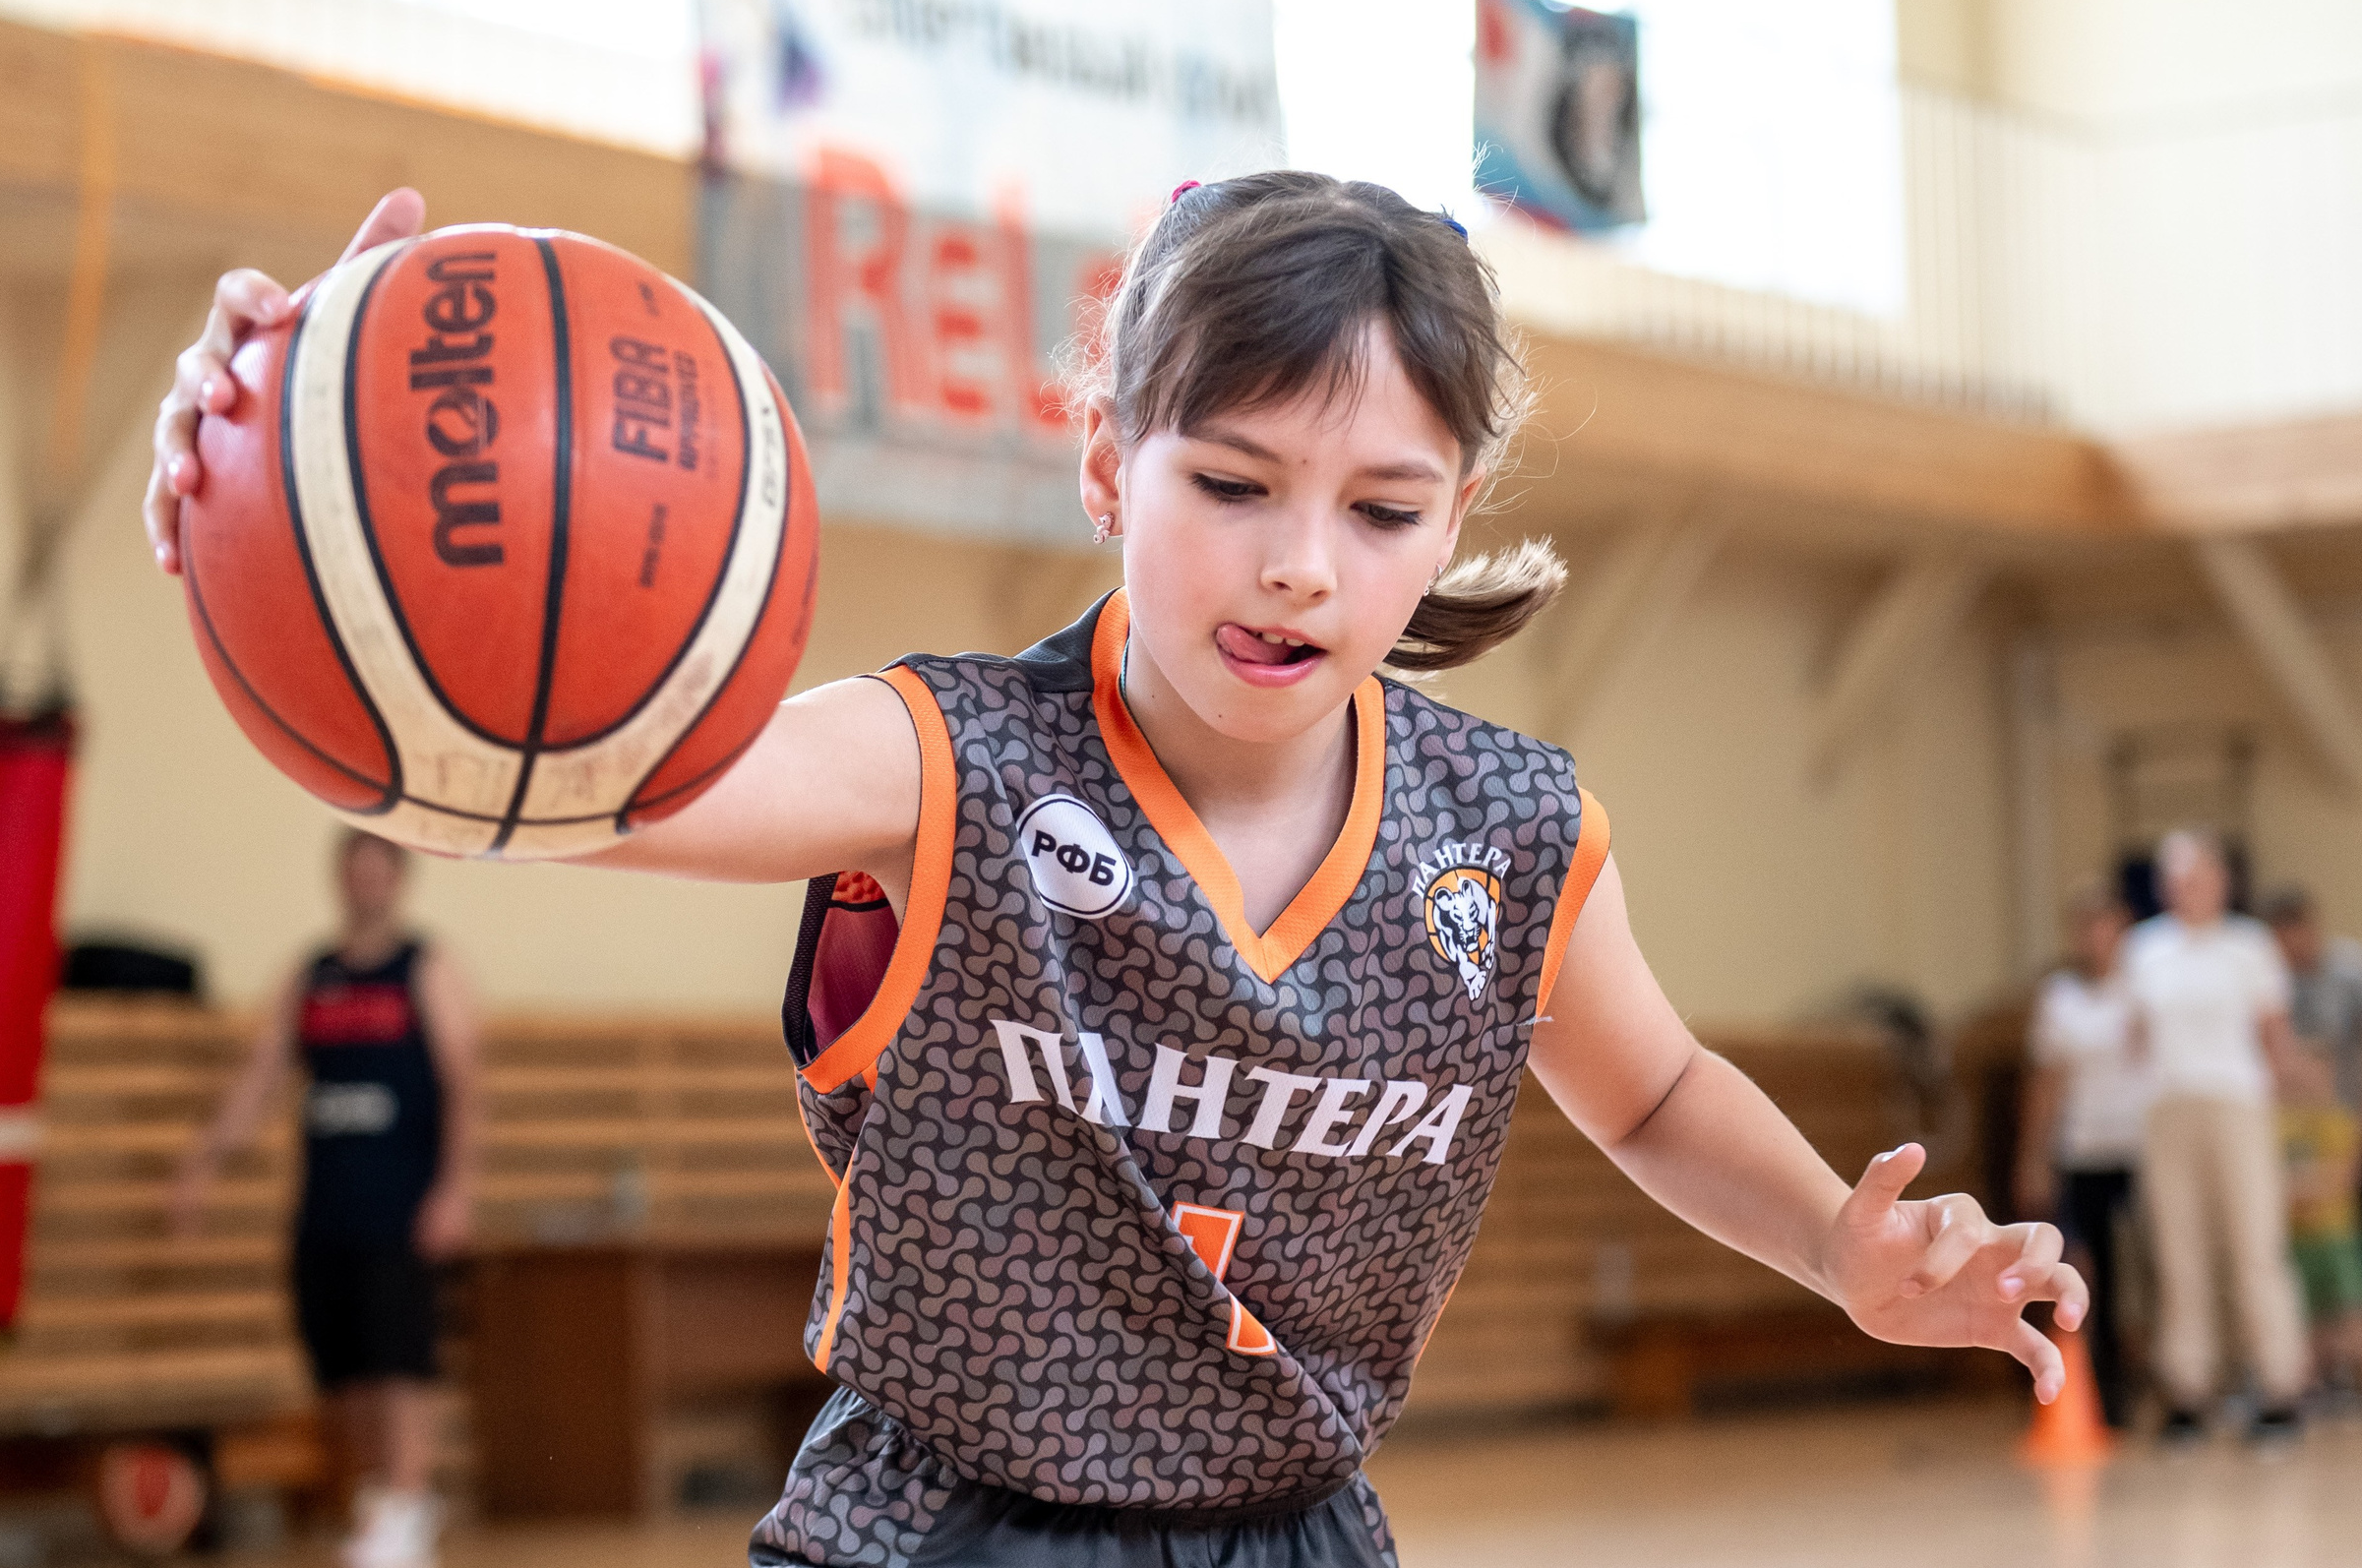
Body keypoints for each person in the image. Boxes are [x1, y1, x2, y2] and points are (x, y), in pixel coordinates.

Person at [145, 176, 2085, 1568]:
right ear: (1104, 463)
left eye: (1380, 507)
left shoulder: (1510, 826)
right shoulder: (939, 758)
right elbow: (594, 787)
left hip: (1297, 1524)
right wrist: (292, 519)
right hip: (941, 1521)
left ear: (1450, 522)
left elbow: (1648, 1086)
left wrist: (1836, 1238)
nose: (1298, 562)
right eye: (1229, 482)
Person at [172, 830, 479, 1568]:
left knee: (400, 1363)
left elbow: (464, 1084)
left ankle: (406, 1506)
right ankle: (386, 1499)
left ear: (397, 881)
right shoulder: (311, 975)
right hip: (326, 1203)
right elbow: (262, 1075)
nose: (363, 883)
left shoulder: (424, 968)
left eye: (377, 870)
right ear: (340, 878)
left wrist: (455, 1188)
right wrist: (204, 1158)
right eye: (353, 870)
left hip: (399, 1200)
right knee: (342, 1370)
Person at [2120, 830, 2311, 1444]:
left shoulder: (2249, 947)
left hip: (2237, 1107)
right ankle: (2189, 1389)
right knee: (2178, 1250)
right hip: (2169, 1111)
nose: (2183, 888)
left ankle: (2280, 1388)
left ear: (2221, 882)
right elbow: (2135, 1036)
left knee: (2254, 1244)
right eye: (2172, 878)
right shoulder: (2144, 950)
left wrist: (2288, 1120)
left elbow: (2275, 1040)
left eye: (2195, 876)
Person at [2013, 886, 2148, 1427]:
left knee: (2142, 1276)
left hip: (2138, 1153)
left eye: (2103, 923)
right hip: (2084, 1152)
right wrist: (2032, 1157)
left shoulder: (2144, 989)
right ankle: (2094, 1390)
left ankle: (2153, 1385)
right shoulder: (2060, 998)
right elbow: (2045, 1084)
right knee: (2086, 1271)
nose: (2093, 936)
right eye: (2082, 925)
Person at [2271, 1039, 2362, 1408]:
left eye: (2314, 1067)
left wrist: (2298, 1186)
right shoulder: (2274, 1126)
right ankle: (2312, 1385)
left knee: (2358, 1309)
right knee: (2303, 1319)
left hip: (2339, 1238)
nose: (2302, 1077)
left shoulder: (2341, 1122)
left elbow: (2344, 1178)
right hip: (2295, 1241)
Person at [2262, 885, 2362, 1156]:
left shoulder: (2352, 970)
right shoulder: (2267, 975)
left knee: (2337, 1193)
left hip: (2344, 1109)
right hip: (2283, 1113)